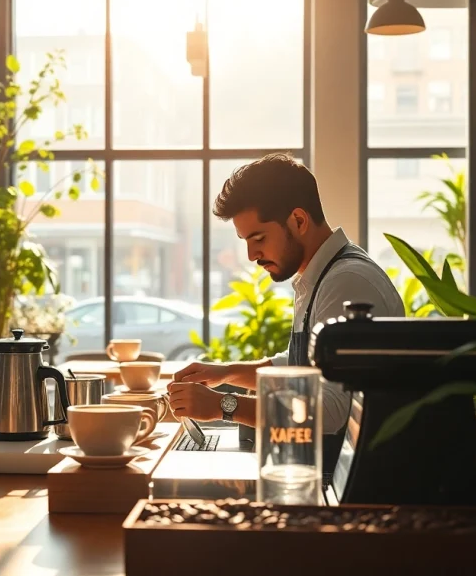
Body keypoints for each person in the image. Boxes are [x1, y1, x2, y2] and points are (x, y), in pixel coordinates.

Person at [168, 153, 405, 443]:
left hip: (348, 482)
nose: (251, 255)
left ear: (298, 220)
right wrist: (226, 373)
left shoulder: (346, 282)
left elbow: (331, 411)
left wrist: (223, 405)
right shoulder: (323, 276)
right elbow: (302, 368)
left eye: (259, 239)